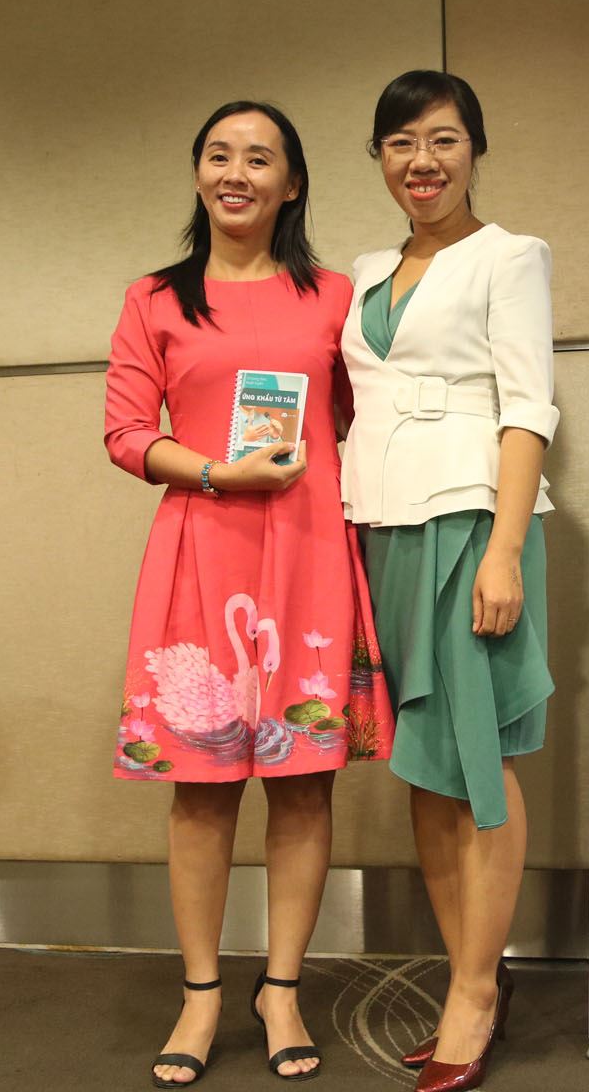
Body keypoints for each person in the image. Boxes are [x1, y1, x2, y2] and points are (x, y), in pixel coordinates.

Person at [105, 100, 393, 1087]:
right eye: (219, 155)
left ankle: (281, 988)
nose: (237, 172)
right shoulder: (155, 298)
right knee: (201, 786)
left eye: (259, 157)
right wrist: (218, 472)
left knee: (304, 781)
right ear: (198, 173)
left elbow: (358, 418)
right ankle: (199, 994)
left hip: (308, 552)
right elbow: (125, 432)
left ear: (292, 182)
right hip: (203, 548)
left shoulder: (336, 295)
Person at [341, 71, 557, 1092]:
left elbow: (529, 406)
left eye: (442, 139)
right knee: (423, 763)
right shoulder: (364, 270)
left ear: (475, 147)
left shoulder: (510, 255)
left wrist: (506, 549)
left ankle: (474, 993)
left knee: (478, 759)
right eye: (400, 143)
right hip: (384, 526)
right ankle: (469, 969)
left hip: (472, 523)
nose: (421, 161)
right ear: (379, 158)